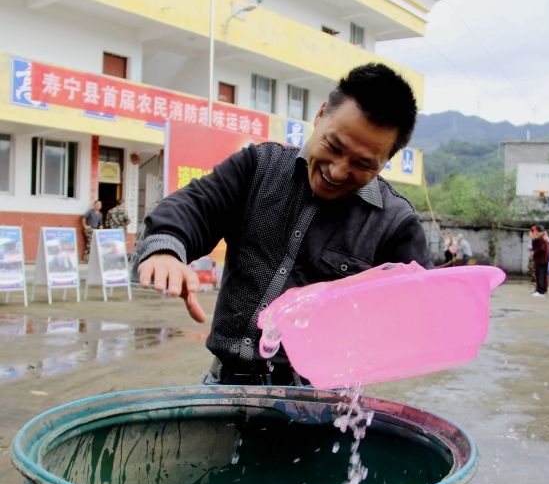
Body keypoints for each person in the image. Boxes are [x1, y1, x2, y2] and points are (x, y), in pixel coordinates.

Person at [135, 63, 432, 386]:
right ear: (320, 116)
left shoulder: (395, 223)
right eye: (333, 146)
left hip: (323, 405)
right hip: (227, 385)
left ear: (385, 161)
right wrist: (165, 249)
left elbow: (420, 312)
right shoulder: (257, 168)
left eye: (363, 165)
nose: (336, 171)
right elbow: (195, 206)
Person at [531, 225, 549, 297]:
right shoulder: (544, 237)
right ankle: (542, 290)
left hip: (541, 259)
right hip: (544, 259)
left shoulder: (541, 238)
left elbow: (541, 249)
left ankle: (541, 291)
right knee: (542, 275)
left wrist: (534, 252)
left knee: (541, 275)